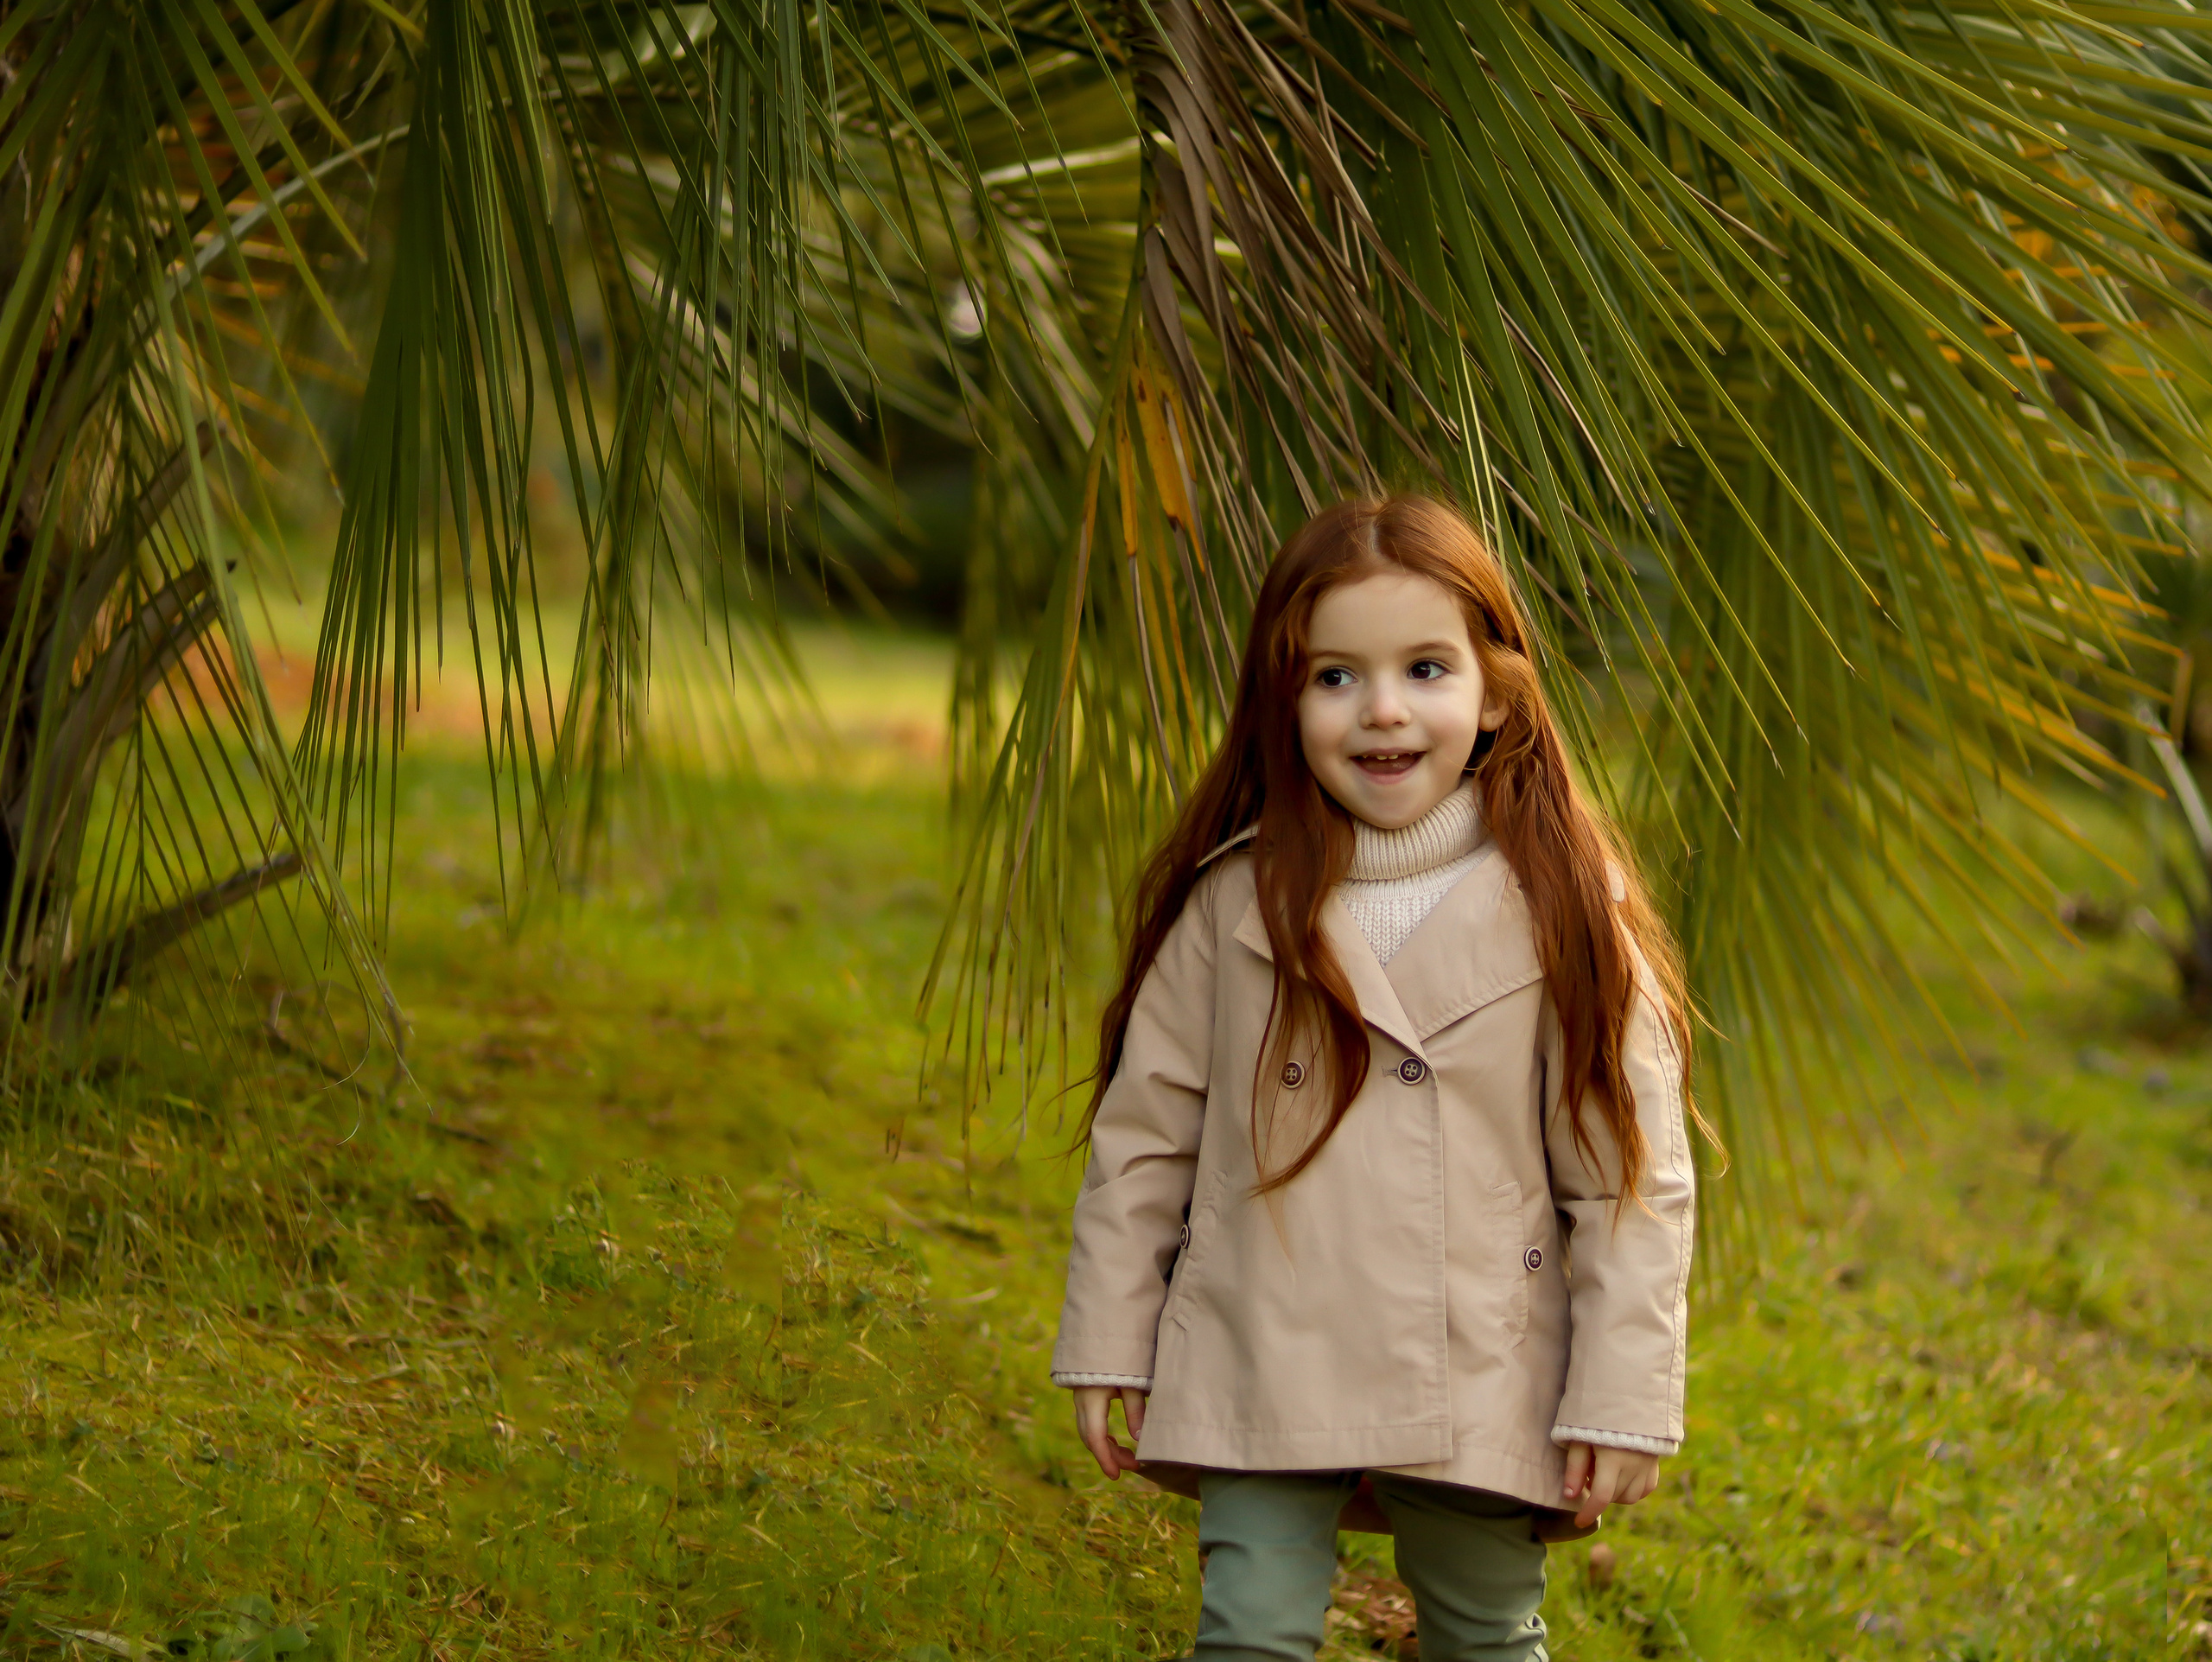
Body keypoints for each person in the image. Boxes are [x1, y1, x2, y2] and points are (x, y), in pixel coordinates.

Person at [1049, 495, 1701, 1661]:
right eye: (1335, 677)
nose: (1384, 709)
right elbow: (1147, 1134)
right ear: (1283, 701)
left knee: (1485, 1633)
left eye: (1426, 667)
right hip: (1265, 1335)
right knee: (1246, 1634)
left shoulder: (1563, 908)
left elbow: (1627, 1177)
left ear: (1496, 693)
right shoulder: (1236, 903)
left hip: (1479, 1351)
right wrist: (1110, 1333)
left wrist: (1622, 1394)